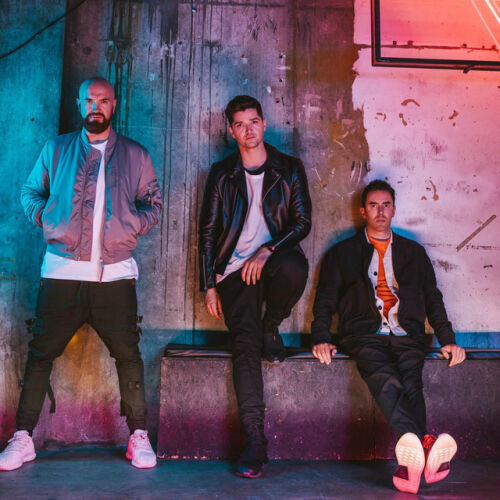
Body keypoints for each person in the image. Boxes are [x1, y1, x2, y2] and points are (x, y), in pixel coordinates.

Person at [0, 77, 163, 471]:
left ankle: (138, 437)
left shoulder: (136, 154)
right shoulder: (56, 149)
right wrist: (49, 219)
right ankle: (22, 438)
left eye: (103, 101)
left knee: (127, 355)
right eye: (89, 100)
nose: (96, 107)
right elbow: (29, 192)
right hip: (61, 272)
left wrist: (129, 225)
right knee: (41, 354)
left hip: (116, 275)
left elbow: (154, 204)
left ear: (113, 105)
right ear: (79, 104)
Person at [311, 179, 466, 494]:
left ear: (394, 209)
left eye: (386, 205)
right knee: (384, 377)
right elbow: (325, 300)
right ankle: (424, 444)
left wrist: (448, 339)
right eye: (373, 205)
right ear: (363, 211)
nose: (380, 211)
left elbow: (432, 299)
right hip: (364, 333)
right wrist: (321, 337)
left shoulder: (413, 252)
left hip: (407, 332)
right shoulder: (343, 253)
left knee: (411, 383)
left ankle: (410, 471)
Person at [199, 95, 311, 478]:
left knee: (295, 267)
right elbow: (208, 231)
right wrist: (209, 285)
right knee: (244, 346)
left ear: (263, 123)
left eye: (253, 121)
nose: (248, 129)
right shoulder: (222, 173)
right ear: (232, 131)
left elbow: (302, 222)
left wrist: (267, 249)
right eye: (240, 124)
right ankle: (255, 440)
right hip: (233, 273)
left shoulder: (289, 168)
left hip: (273, 261)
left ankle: (271, 325)